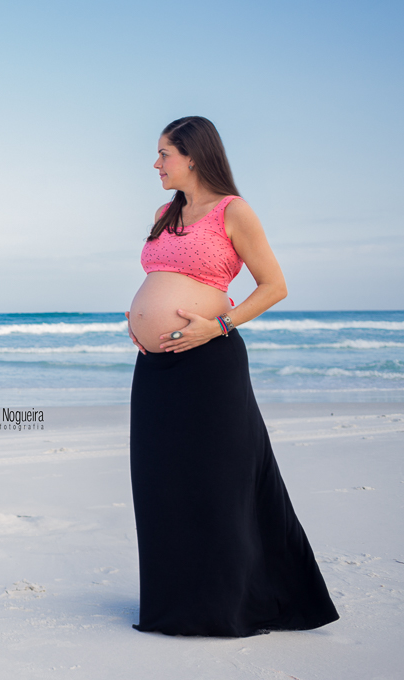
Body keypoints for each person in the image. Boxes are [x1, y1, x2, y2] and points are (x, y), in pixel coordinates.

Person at [123, 116, 339, 637]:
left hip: (209, 364)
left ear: (193, 155)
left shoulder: (233, 212)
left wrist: (217, 324)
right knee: (159, 482)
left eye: (164, 153)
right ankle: (172, 604)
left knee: (214, 483)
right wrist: (141, 320)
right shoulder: (163, 213)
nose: (156, 163)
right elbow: (162, 278)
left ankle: (225, 606)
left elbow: (274, 285)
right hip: (155, 368)